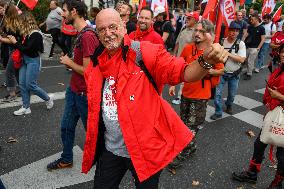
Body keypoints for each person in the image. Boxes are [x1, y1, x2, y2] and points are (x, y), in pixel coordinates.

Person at [81, 8, 228, 188]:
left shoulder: (144, 52)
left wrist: (206, 61)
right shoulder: (97, 62)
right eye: (102, 29)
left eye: (113, 27)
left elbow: (185, 72)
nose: (108, 33)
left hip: (145, 151)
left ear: (124, 27)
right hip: (110, 150)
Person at [46, 0, 99, 171]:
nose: (62, 14)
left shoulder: (88, 35)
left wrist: (69, 61)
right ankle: (67, 158)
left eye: (65, 11)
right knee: (66, 127)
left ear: (74, 12)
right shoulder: (81, 33)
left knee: (92, 133)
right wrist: (70, 63)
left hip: (84, 94)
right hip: (74, 91)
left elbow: (88, 71)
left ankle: (102, 163)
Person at [168, 19, 224, 168]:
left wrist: (209, 70)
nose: (197, 34)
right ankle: (190, 146)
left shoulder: (213, 51)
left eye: (201, 31)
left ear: (208, 34)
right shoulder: (188, 48)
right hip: (186, 93)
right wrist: (174, 83)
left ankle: (185, 151)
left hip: (201, 96)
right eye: (196, 31)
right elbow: (179, 67)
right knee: (184, 124)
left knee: (191, 127)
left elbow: (221, 69)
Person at [232, 43, 284, 189]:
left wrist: (279, 96)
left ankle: (277, 183)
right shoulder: (279, 68)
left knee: (282, 154)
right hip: (274, 113)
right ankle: (252, 173)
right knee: (259, 144)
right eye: (283, 52)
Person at [6, 12, 54, 116]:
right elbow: (20, 45)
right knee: (22, 84)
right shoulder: (26, 33)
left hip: (33, 61)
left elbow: (28, 50)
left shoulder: (36, 34)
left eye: (20, 22)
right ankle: (26, 107)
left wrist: (15, 42)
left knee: (31, 85)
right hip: (25, 61)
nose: (19, 24)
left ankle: (48, 98)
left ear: (26, 22)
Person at [210, 22, 246, 120]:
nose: (234, 33)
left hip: (234, 74)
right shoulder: (221, 42)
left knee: (232, 94)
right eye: (232, 30)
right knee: (217, 93)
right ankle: (218, 112)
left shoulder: (240, 44)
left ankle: (229, 105)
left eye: (236, 31)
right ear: (228, 31)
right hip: (221, 72)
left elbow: (242, 59)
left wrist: (227, 53)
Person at [171, 11, 199, 105]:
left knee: (185, 79)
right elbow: (178, 42)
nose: (186, 20)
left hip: (189, 60)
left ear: (195, 20)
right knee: (177, 76)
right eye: (186, 18)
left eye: (189, 18)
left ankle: (180, 97)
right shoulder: (184, 28)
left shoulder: (197, 32)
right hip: (179, 58)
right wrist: (174, 55)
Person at [0, 3, 21, 102]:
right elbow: (6, 35)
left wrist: (2, 39)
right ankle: (22, 89)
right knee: (16, 71)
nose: (2, 10)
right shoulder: (7, 21)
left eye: (4, 9)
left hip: (17, 50)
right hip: (13, 49)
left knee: (9, 71)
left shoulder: (15, 23)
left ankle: (12, 95)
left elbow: (14, 40)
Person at [243, 13, 265, 80]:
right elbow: (246, 35)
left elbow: (263, 39)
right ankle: (248, 70)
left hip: (255, 48)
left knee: (250, 61)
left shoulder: (261, 28)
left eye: (252, 20)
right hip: (248, 46)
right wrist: (241, 40)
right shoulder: (250, 26)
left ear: (256, 19)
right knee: (245, 60)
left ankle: (249, 74)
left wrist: (258, 48)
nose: (251, 21)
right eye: (250, 19)